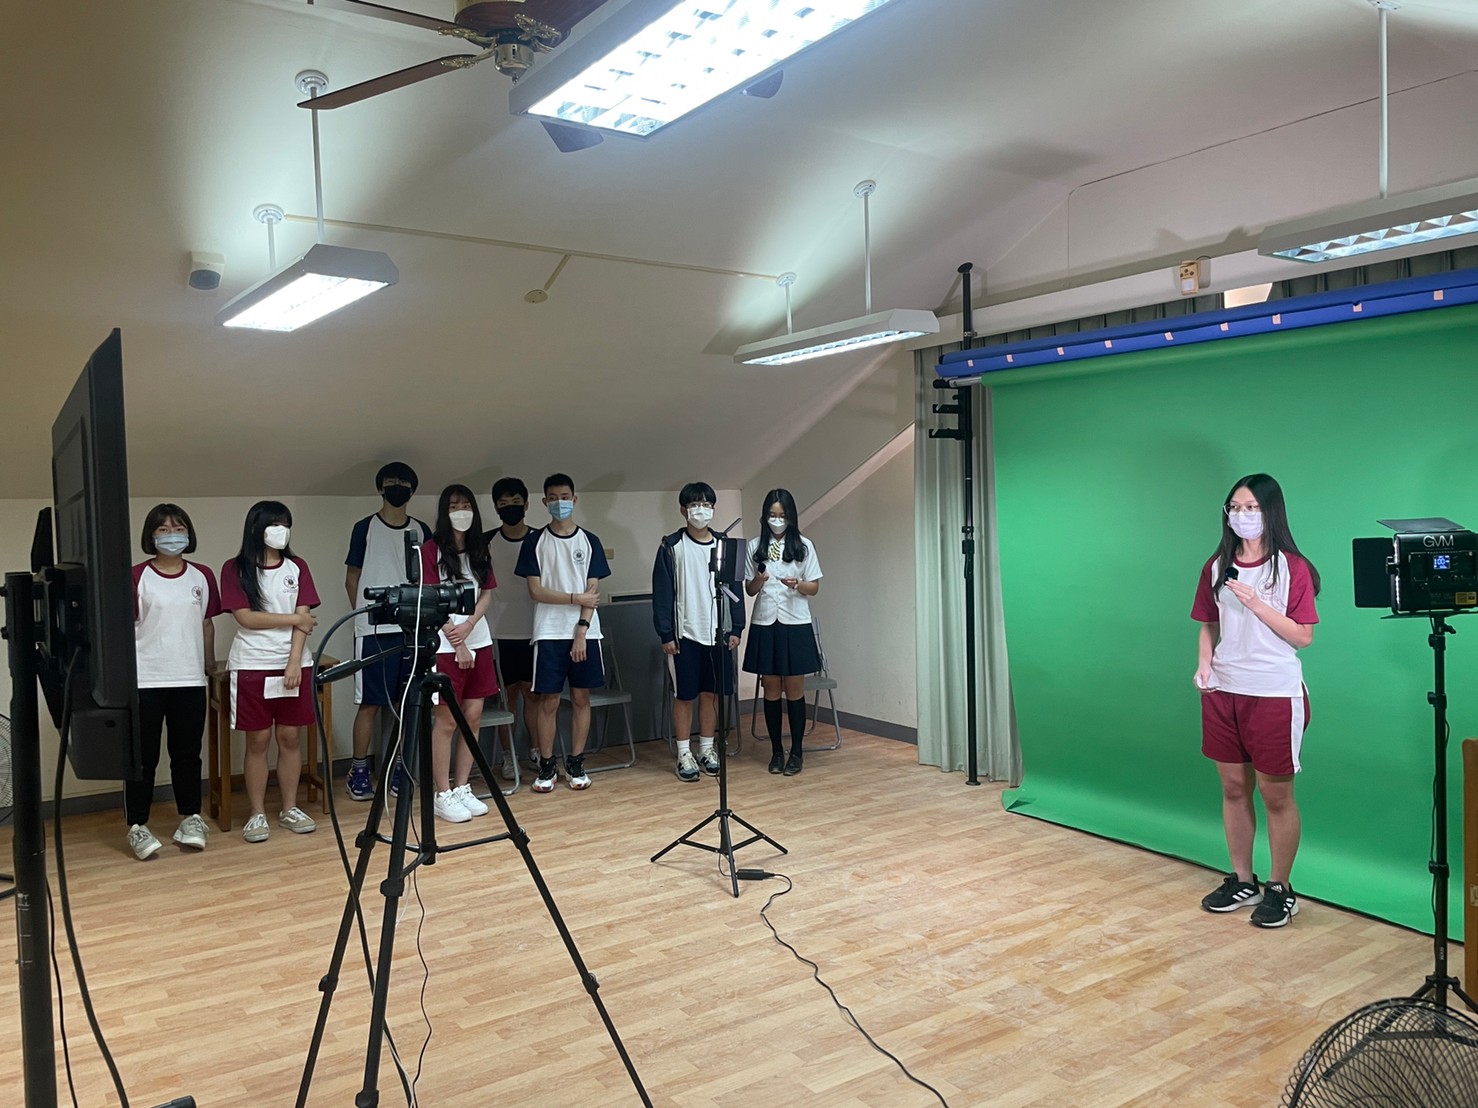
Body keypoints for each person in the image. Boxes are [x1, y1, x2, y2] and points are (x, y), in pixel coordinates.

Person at [1192, 473, 1320, 929]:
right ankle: (1243, 880)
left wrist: (1257, 603)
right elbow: (1208, 623)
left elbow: (1303, 636)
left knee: (1275, 795)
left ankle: (1281, 888)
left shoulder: (1292, 568)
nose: (1242, 515)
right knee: (1232, 788)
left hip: (1274, 694)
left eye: (1251, 508)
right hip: (1224, 690)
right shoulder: (1217, 565)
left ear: (1271, 512)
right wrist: (1204, 663)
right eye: (1235, 508)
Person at [221, 501, 321, 843]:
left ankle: (290, 808)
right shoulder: (235, 569)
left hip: (294, 664)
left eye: (285, 524)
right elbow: (246, 617)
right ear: (256, 528)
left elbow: (305, 619)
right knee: (258, 741)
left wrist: (293, 661)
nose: (281, 530)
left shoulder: (297, 566)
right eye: (274, 524)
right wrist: (294, 618)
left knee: (290, 738)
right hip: (253, 664)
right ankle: (257, 813)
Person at [126, 504, 222, 860]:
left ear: (189, 533)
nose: (172, 535)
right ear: (151, 536)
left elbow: (207, 623)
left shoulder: (202, 575)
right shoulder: (136, 576)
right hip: (145, 680)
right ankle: (137, 825)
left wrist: (209, 665)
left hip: (190, 679)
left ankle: (190, 818)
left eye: (178, 528)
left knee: (187, 755)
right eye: (163, 530)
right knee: (142, 759)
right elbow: (125, 630)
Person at [514, 473, 611, 794]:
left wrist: (581, 630)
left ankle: (577, 761)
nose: (560, 503)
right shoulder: (535, 542)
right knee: (549, 700)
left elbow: (592, 594)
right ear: (544, 502)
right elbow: (536, 591)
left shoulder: (590, 541)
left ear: (575, 499)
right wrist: (573, 597)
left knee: (582, 697)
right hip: (549, 631)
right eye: (553, 498)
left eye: (565, 497)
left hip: (586, 633)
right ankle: (547, 764)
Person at [344, 462, 430, 801]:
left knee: (406, 703)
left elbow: (429, 577)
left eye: (404, 482)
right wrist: (366, 615)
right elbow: (352, 578)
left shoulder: (422, 530)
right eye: (391, 482)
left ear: (412, 489)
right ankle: (358, 770)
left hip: (412, 629)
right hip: (373, 631)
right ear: (380, 488)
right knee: (370, 703)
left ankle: (399, 768)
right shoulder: (364, 527)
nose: (397, 487)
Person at [652, 482, 744, 782]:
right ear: (683, 510)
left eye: (706, 504)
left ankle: (707, 748)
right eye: (694, 505)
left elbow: (736, 588)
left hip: (718, 633)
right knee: (684, 695)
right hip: (685, 635)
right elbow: (662, 594)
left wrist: (736, 627)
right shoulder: (671, 546)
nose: (701, 510)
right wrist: (666, 634)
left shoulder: (724, 545)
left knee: (711, 694)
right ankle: (684, 752)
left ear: (713, 509)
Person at [421, 484, 498, 822]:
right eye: (454, 506)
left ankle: (463, 786)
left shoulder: (480, 548)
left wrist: (470, 626)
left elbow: (487, 593)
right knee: (447, 720)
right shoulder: (430, 550)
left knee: (473, 717)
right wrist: (459, 641)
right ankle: (442, 792)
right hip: (444, 645)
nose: (461, 511)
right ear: (444, 511)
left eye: (466, 505)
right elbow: (430, 599)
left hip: (479, 639)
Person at [743, 489, 823, 776]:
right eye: (772, 515)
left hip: (795, 622)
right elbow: (749, 589)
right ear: (765, 516)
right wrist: (759, 579)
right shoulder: (755, 546)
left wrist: (797, 584)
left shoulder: (804, 545)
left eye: (782, 515)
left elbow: (814, 587)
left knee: (794, 687)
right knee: (771, 687)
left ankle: (797, 752)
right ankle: (776, 751)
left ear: (791, 516)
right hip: (766, 621)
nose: (777, 520)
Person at [486, 476, 537, 779]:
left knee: (533, 695)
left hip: (535, 630)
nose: (510, 508)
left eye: (516, 502)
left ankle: (536, 750)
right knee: (506, 698)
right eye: (503, 504)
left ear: (526, 504)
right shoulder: (485, 541)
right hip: (498, 632)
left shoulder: (540, 539)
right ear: (496, 508)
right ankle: (508, 757)